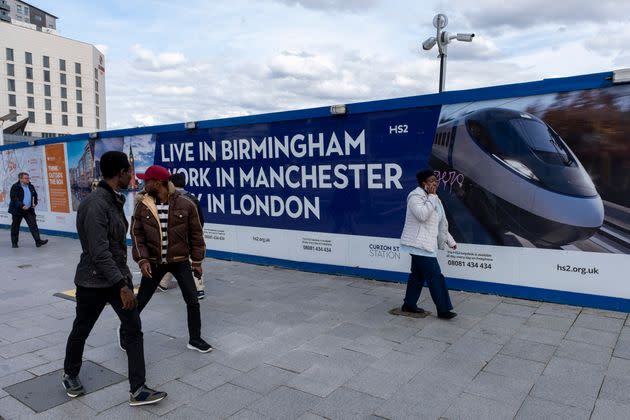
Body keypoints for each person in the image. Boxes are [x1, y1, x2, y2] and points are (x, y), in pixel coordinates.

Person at [62, 151, 167, 406]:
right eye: (129, 171)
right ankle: (70, 374)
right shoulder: (96, 204)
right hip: (93, 282)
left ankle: (138, 389)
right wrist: (122, 285)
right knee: (82, 329)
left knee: (133, 329)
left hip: (116, 278)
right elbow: (99, 252)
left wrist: (122, 280)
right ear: (121, 173)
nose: (131, 176)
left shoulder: (112, 200)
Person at [124, 165, 212, 353]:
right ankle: (126, 331)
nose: (143, 183)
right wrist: (142, 260)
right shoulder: (143, 205)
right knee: (142, 300)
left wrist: (197, 262)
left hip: (180, 261)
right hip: (154, 263)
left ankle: (195, 339)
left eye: (147, 180)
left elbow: (197, 234)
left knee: (193, 300)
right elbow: (136, 235)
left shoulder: (186, 204)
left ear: (157, 183)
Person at [399, 169, 458, 319]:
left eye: (436, 181)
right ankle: (444, 310)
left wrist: (450, 241)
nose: (435, 183)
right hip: (419, 245)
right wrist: (432, 197)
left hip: (425, 244)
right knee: (435, 276)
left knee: (417, 275)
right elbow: (422, 215)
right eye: (431, 181)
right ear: (423, 183)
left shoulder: (434, 198)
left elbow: (439, 223)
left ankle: (409, 305)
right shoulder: (415, 197)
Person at [157, 172, 206, 299]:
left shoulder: (169, 198)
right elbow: (200, 219)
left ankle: (165, 284)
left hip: (175, 236)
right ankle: (198, 288)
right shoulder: (193, 198)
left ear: (171, 184)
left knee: (173, 258)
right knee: (192, 261)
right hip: (191, 235)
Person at [8, 172, 48, 248]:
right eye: (26, 178)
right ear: (21, 179)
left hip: (29, 210)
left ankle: (38, 241)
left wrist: (35, 203)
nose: (28, 179)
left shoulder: (30, 186)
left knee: (33, 225)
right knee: (15, 227)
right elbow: (14, 198)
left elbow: (35, 195)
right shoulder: (15, 186)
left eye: (28, 178)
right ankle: (14, 243)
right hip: (17, 210)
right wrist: (22, 206)